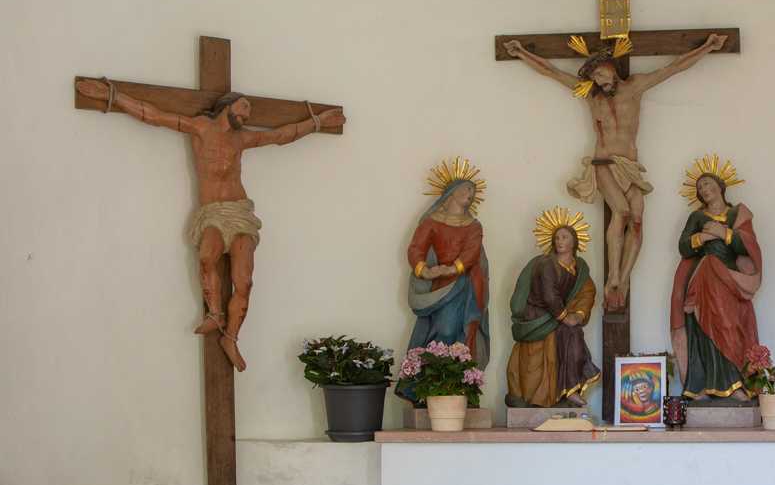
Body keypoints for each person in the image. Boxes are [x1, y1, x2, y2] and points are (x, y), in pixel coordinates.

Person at [73, 79, 344, 371]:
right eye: (243, 107)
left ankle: (231, 338)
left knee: (245, 282)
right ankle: (215, 314)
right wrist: (113, 95)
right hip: (213, 212)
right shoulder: (200, 127)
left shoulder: (242, 138)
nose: (247, 114)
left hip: (240, 213)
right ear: (226, 106)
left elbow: (281, 135)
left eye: (248, 111)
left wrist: (318, 121)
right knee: (205, 260)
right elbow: (154, 115)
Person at [502, 33, 728, 310]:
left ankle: (624, 278)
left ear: (611, 67)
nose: (598, 81)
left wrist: (707, 46)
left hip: (629, 165)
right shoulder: (590, 95)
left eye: (600, 74)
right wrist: (522, 52)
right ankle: (613, 275)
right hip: (604, 163)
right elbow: (552, 71)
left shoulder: (635, 86)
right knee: (621, 212)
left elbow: (674, 67)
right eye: (594, 78)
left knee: (637, 219)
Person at [670, 159, 763, 401]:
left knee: (729, 324)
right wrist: (701, 238)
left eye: (706, 183)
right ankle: (711, 386)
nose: (703, 189)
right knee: (704, 327)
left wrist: (725, 233)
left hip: (728, 276)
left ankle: (735, 383)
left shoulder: (736, 214)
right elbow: (684, 247)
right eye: (699, 187)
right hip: (704, 274)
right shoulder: (697, 216)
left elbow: (749, 245)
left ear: (720, 186)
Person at [398, 161, 489, 404]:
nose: (470, 194)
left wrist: (454, 268)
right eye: (466, 188)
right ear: (452, 192)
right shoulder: (430, 222)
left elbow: (472, 252)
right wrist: (424, 270)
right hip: (440, 284)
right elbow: (416, 248)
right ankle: (428, 388)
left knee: (457, 331)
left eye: (473, 191)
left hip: (466, 283)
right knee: (441, 329)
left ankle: (456, 388)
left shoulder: (474, 225)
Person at [506, 211, 600, 408]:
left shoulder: (579, 267)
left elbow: (587, 292)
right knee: (536, 364)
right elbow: (550, 295)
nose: (560, 241)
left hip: (558, 317)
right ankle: (535, 397)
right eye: (557, 238)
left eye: (564, 237)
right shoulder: (547, 263)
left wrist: (579, 314)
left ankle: (570, 390)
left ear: (574, 242)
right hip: (539, 318)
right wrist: (566, 317)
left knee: (574, 335)